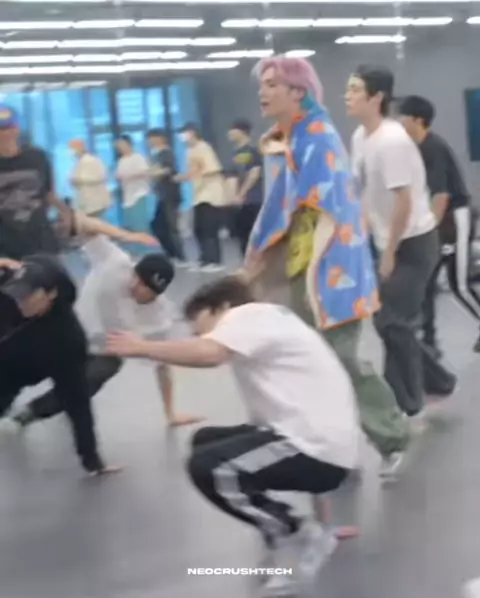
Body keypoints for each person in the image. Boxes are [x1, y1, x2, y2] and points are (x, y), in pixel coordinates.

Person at [106, 276, 361, 594]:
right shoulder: (270, 325)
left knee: (210, 467)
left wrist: (143, 348)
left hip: (317, 449)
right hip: (319, 445)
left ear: (223, 307)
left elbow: (209, 354)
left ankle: (295, 533)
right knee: (205, 441)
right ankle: (289, 530)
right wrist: (327, 521)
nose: (199, 335)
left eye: (201, 324)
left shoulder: (248, 316)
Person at [242, 55, 409, 479]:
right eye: (263, 83)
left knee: (341, 359)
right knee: (309, 362)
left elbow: (310, 206)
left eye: (273, 84)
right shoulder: (293, 138)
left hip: (333, 271)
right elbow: (282, 203)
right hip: (304, 269)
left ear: (298, 91)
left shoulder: (318, 136)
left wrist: (261, 255)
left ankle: (393, 437)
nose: (263, 91)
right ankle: (333, 446)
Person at [346, 65, 450, 417]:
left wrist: (389, 252)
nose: (348, 96)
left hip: (415, 244)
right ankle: (438, 381)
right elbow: (362, 191)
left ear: (376, 97)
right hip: (386, 240)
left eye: (355, 89)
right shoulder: (360, 137)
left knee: (390, 321)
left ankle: (405, 404)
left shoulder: (391, 141)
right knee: (391, 321)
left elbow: (404, 201)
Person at [0, 254, 119, 476]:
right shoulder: (8, 296)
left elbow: (77, 401)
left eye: (29, 296)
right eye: (18, 294)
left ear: (52, 293)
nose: (21, 301)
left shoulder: (68, 340)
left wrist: (91, 458)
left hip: (19, 373)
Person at [397, 95, 480, 355]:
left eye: (403, 117)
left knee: (460, 285)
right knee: (426, 283)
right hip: (439, 223)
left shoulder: (433, 147)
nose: (399, 122)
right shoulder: (417, 149)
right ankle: (429, 340)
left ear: (417, 120)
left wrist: (427, 232)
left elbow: (441, 196)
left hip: (456, 219)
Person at [0, 104, 71, 259]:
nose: (6, 134)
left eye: (10, 127)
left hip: (41, 240)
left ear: (17, 129)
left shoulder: (37, 157)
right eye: (2, 129)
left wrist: (65, 212)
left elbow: (48, 193)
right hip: (6, 247)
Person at [175, 123, 225, 272]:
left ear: (192, 133)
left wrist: (190, 175)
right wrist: (186, 176)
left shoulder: (204, 147)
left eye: (184, 133)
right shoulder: (189, 151)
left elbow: (213, 169)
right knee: (198, 229)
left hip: (210, 194)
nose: (182, 137)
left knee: (209, 229)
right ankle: (204, 259)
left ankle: (215, 261)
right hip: (198, 194)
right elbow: (192, 171)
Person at [147, 129, 186, 264]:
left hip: (170, 195)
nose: (149, 142)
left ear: (160, 138)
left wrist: (153, 173)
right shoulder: (156, 154)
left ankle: (180, 256)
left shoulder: (167, 153)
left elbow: (169, 170)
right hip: (162, 196)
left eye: (151, 138)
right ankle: (171, 253)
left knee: (171, 226)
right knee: (157, 225)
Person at [227, 119, 263, 256]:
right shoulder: (234, 154)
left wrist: (241, 194)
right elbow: (232, 176)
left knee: (253, 235)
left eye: (232, 130)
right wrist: (232, 196)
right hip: (238, 202)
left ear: (241, 132)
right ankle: (246, 262)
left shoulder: (253, 151)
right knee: (241, 235)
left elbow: (254, 173)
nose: (229, 133)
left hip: (253, 199)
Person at [115, 135, 151, 232]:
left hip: (139, 194)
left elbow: (144, 172)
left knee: (140, 224)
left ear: (129, 144)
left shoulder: (138, 157)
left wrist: (129, 176)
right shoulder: (121, 160)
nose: (120, 147)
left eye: (122, 144)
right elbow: (119, 175)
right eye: (118, 146)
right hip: (127, 195)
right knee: (131, 225)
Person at [69, 139, 111, 218]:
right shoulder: (79, 163)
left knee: (96, 222)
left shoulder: (93, 160)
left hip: (95, 202)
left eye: (73, 149)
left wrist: (79, 180)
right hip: (85, 202)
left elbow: (101, 177)